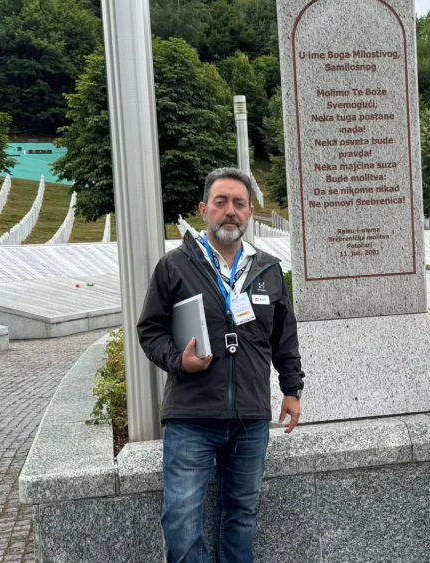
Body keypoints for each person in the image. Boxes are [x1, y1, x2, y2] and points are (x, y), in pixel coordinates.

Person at [137, 167, 305, 563]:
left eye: (239, 203)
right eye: (221, 202)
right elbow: (150, 330)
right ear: (204, 210)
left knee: (241, 516)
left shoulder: (268, 270)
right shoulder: (175, 266)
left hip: (250, 418)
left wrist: (291, 389)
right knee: (181, 521)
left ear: (250, 213)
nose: (231, 211)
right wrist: (178, 361)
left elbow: (284, 337)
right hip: (191, 417)